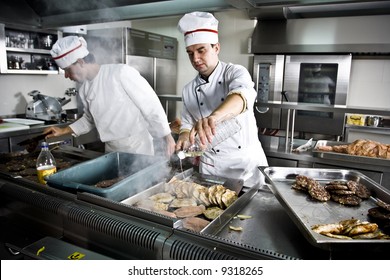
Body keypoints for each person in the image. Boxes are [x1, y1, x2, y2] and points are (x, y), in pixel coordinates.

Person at [176, 11, 268, 185]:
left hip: (246, 169)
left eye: (201, 50)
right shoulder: (188, 90)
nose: (195, 58)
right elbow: (187, 125)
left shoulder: (235, 73)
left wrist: (214, 118)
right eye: (190, 53)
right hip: (212, 168)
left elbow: (242, 97)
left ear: (216, 48)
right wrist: (183, 136)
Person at [43, 36, 175, 157]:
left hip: (138, 147)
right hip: (111, 149)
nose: (67, 76)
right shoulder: (85, 89)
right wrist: (62, 131)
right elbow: (89, 120)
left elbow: (151, 105)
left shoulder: (120, 73)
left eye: (67, 70)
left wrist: (167, 137)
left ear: (81, 62)